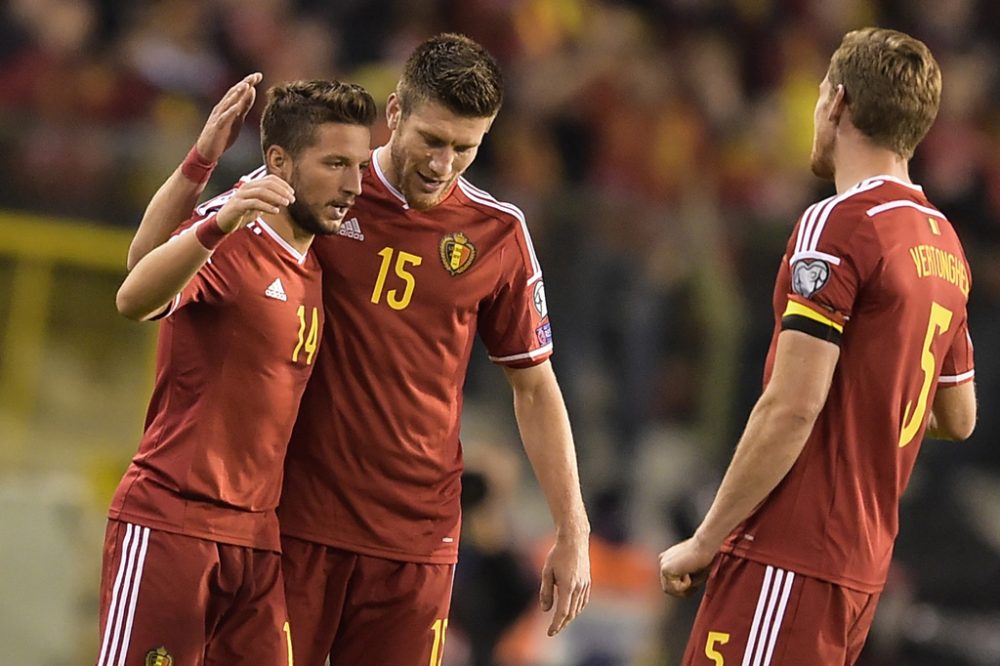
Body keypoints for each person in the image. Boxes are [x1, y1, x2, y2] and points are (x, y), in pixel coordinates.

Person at [126, 33, 591, 666]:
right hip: (293, 525)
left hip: (417, 543)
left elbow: (534, 385)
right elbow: (150, 271)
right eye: (431, 139)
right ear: (394, 113)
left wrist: (572, 527)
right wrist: (201, 163)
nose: (442, 164)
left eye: (465, 148)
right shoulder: (319, 181)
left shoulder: (499, 232)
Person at [658, 27, 976, 665]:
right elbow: (957, 417)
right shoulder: (945, 245)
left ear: (835, 103)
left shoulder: (839, 223)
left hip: (788, 552)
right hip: (861, 567)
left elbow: (792, 406)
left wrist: (706, 537)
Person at [97, 77, 375, 665]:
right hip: (174, 519)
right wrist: (213, 215)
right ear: (279, 162)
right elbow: (133, 296)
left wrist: (202, 160)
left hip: (255, 537)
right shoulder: (234, 233)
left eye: (357, 165)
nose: (353, 185)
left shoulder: (311, 255)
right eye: (334, 164)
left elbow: (142, 255)